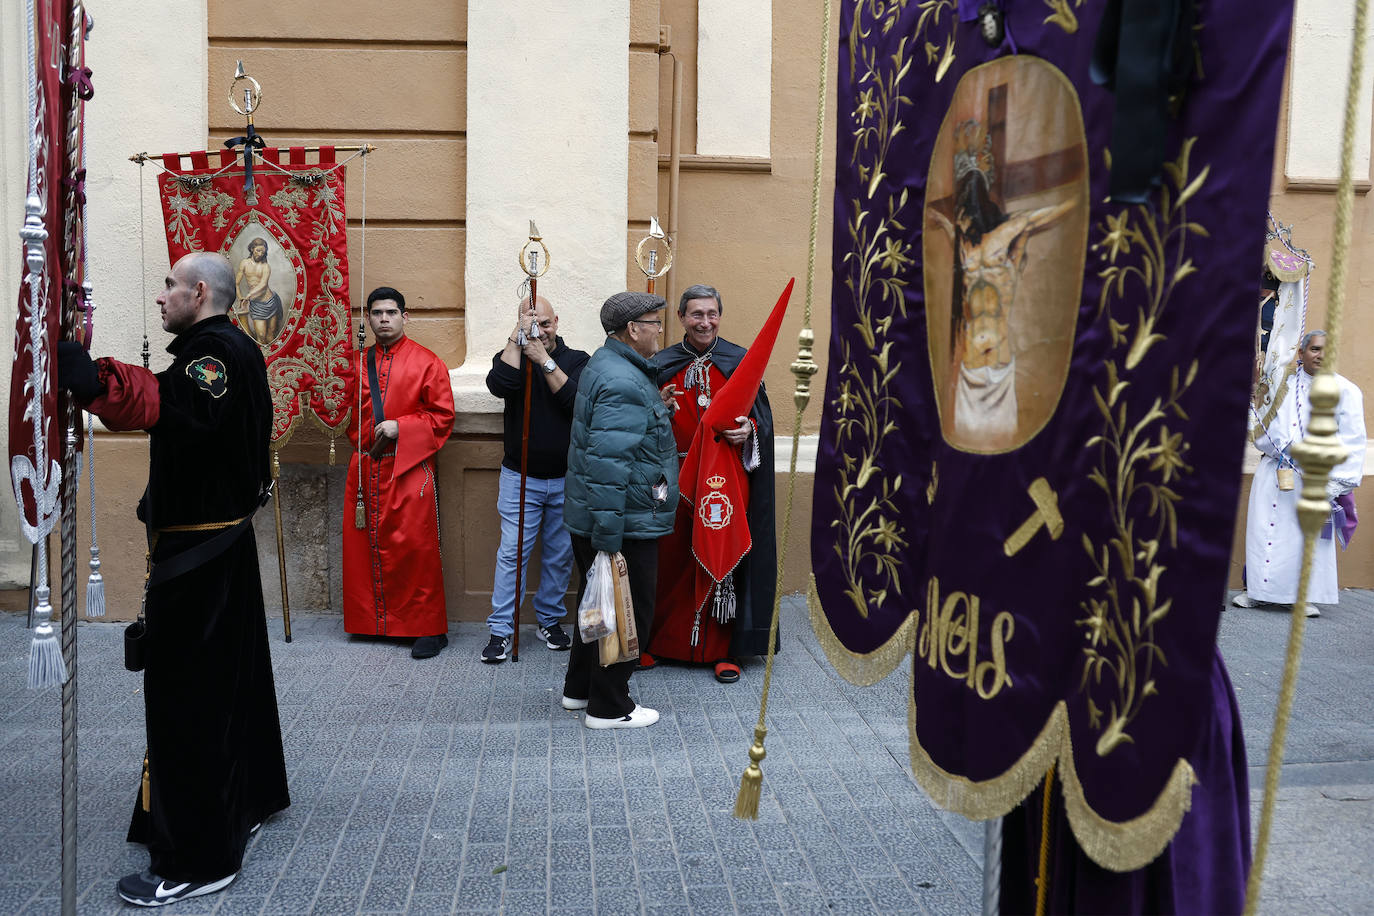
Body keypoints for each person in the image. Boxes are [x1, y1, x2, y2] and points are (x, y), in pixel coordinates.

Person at [56, 252, 289, 907]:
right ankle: (244, 800)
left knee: (189, 704)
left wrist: (93, 377)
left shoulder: (210, 354)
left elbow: (169, 402)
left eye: (167, 287)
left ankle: (198, 858)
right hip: (220, 548)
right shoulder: (230, 346)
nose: (160, 298)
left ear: (198, 292)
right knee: (233, 689)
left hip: (202, 562)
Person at [643, 284, 776, 684]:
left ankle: (724, 650)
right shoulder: (659, 364)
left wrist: (748, 432)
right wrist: (657, 409)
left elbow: (763, 423)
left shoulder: (740, 362)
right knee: (671, 563)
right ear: (682, 317)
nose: (705, 321)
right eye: (696, 314)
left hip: (725, 487)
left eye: (712, 313)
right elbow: (637, 422)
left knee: (724, 563)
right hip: (673, 483)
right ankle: (661, 643)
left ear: (720, 315)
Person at [561, 291, 679, 728]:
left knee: (596, 605)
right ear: (634, 330)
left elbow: (611, 440)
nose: (660, 331)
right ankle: (610, 707)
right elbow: (609, 468)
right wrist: (609, 542)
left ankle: (579, 689)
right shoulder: (624, 381)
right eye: (655, 323)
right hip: (622, 521)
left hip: (605, 516)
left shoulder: (609, 365)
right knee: (625, 611)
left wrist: (655, 411)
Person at [927, 119, 1076, 447]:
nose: (960, 219)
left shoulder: (1000, 238)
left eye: (962, 212)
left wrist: (1072, 204)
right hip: (969, 371)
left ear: (972, 205)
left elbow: (1035, 219)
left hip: (997, 368)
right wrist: (941, 223)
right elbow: (957, 243)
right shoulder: (965, 246)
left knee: (996, 450)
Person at [342, 286, 456, 656]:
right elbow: (341, 411)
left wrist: (401, 427)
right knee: (365, 547)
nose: (384, 319)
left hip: (409, 468)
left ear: (405, 317)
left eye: (391, 313)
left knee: (416, 549)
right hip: (365, 467)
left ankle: (428, 628)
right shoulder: (355, 363)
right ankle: (373, 621)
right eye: (377, 314)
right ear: (370, 318)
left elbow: (442, 416)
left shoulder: (427, 362)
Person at [482, 293, 590, 662]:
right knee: (512, 553)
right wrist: (517, 339)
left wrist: (542, 360)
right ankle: (501, 629)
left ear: (556, 321)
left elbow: (575, 402)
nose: (540, 331)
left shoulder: (577, 361)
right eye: (532, 324)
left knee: (560, 556)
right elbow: (500, 386)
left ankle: (549, 619)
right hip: (520, 477)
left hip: (566, 478)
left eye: (545, 323)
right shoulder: (512, 357)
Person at [1234, 329, 1366, 617]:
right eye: (1315, 349)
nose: (1321, 355)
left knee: (1303, 537)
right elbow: (1264, 430)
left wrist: (1337, 483)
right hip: (1276, 471)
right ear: (1301, 353)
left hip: (1316, 476)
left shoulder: (1347, 391)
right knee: (1265, 530)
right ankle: (1259, 592)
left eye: (1326, 350)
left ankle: (1302, 597)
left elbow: (1354, 441)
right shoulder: (1283, 386)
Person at [234, 236, 284, 345]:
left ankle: (271, 360)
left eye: (262, 252)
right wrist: (240, 297)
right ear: (252, 249)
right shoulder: (244, 263)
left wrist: (248, 295)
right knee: (260, 336)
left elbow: (263, 284)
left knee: (271, 335)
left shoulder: (266, 266)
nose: (260, 254)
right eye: (258, 250)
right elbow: (236, 283)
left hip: (271, 302)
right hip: (257, 305)